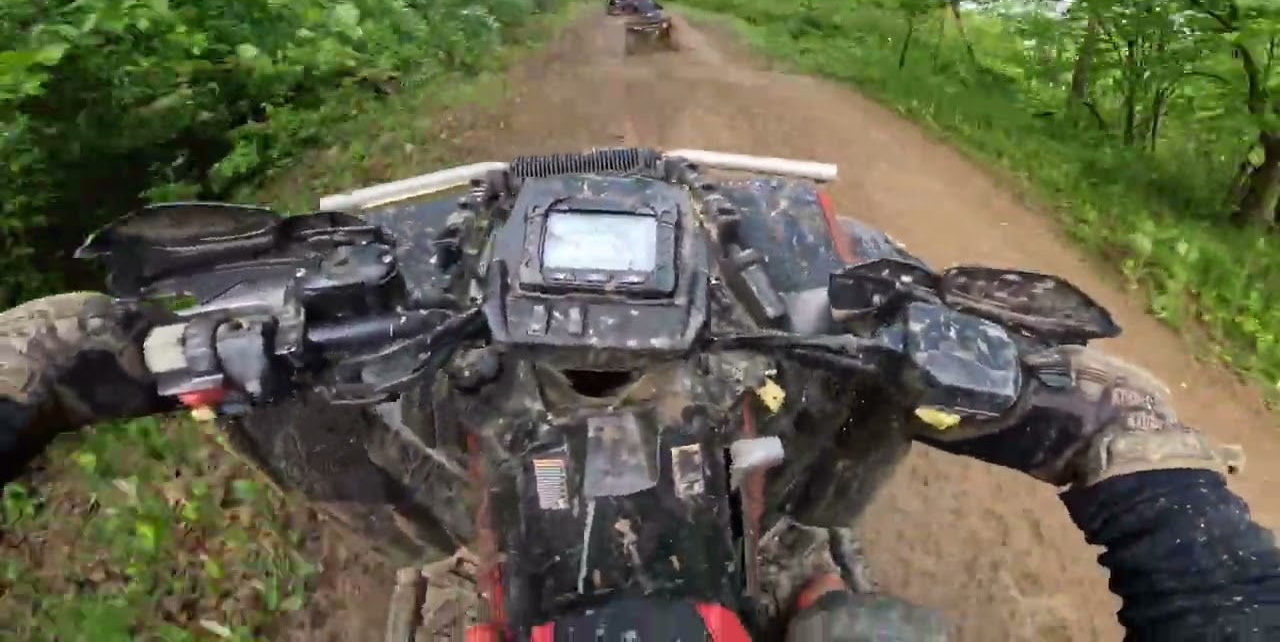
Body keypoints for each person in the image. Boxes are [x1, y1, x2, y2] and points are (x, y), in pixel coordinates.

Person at [3, 292, 1280, 641]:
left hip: (479, 562)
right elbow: (1114, 404)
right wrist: (1197, 550)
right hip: (770, 549)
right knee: (854, 616)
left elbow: (57, 338)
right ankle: (821, 587)